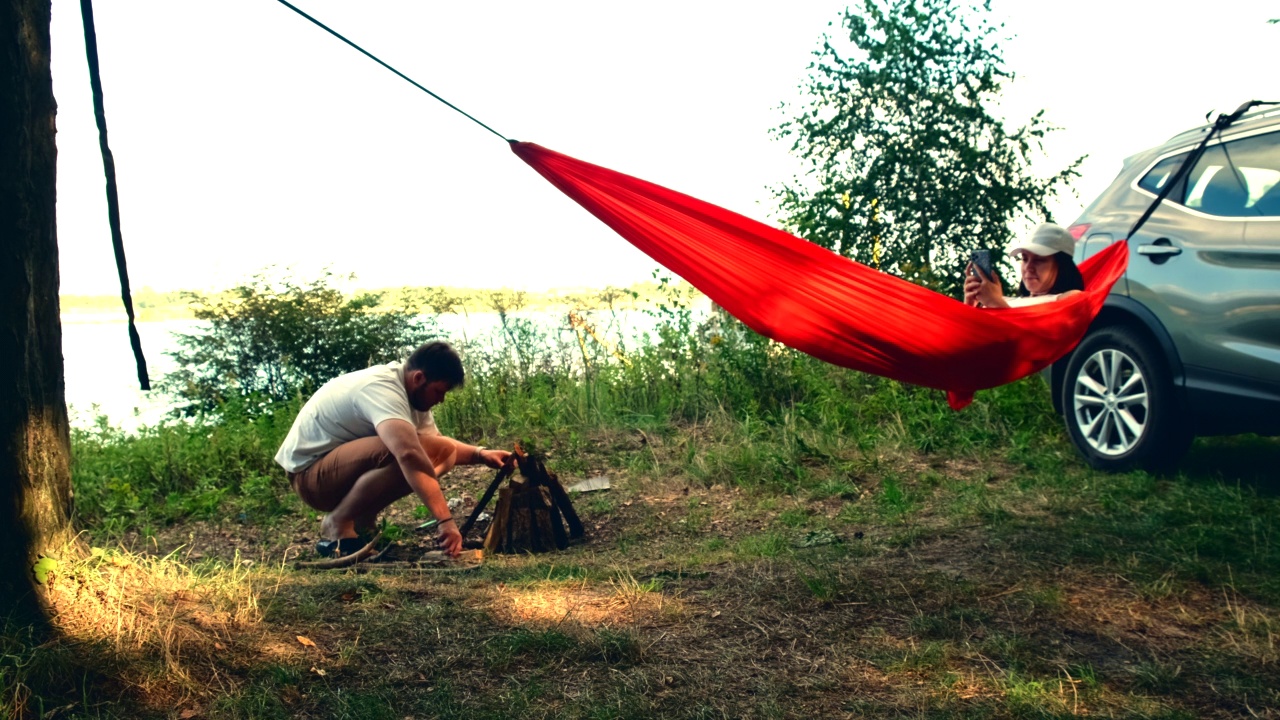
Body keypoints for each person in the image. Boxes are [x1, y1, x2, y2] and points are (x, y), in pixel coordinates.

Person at [274, 341, 510, 558]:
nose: (441, 400)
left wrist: (481, 454)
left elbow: (437, 447)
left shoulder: (413, 396)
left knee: (441, 451)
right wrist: (445, 521)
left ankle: (361, 523)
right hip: (310, 477)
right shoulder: (382, 388)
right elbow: (409, 453)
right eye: (439, 391)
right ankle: (338, 523)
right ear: (419, 378)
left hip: (333, 472)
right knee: (402, 451)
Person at [964, 223, 1085, 309]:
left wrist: (995, 303)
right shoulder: (1005, 300)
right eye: (1024, 259)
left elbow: (1035, 340)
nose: (1028, 267)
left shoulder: (1071, 298)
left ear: (1061, 265)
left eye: (1039, 260)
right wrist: (969, 307)